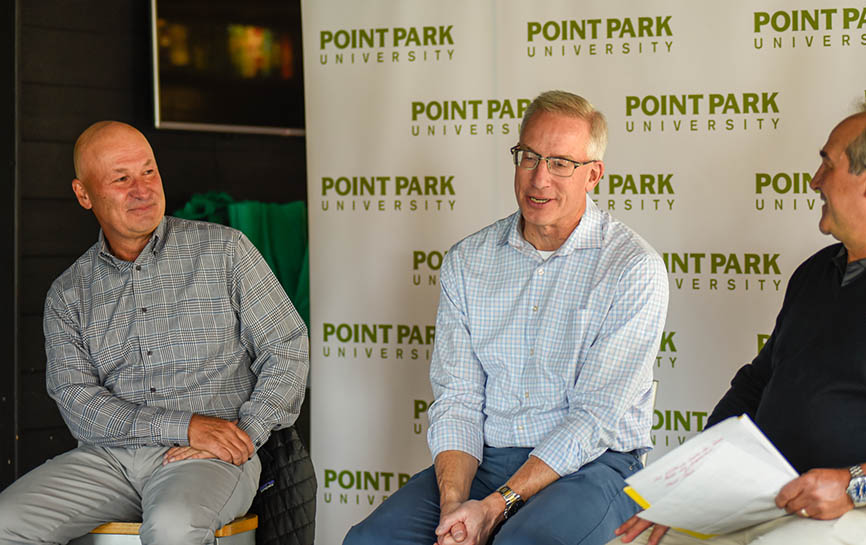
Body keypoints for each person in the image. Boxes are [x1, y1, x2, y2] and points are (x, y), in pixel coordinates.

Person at [611, 101, 866, 545]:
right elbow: (756, 386)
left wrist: (854, 485)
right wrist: (690, 486)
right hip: (773, 501)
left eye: (828, 165)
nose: (815, 181)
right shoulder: (816, 273)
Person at [344, 90, 669, 545]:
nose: (539, 179)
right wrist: (456, 505)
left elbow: (595, 419)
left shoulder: (633, 268)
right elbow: (457, 399)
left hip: (594, 466)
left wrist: (494, 508)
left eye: (560, 163)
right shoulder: (468, 260)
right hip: (488, 461)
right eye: (529, 157)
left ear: (592, 175)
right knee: (370, 541)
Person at [0, 121, 310, 544]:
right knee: (5, 522)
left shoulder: (225, 251)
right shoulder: (70, 293)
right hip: (108, 460)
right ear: (84, 194)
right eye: (121, 178)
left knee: (173, 526)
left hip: (210, 458)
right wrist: (183, 426)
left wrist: (246, 432)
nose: (142, 189)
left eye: (149, 172)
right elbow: (77, 400)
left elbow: (287, 349)